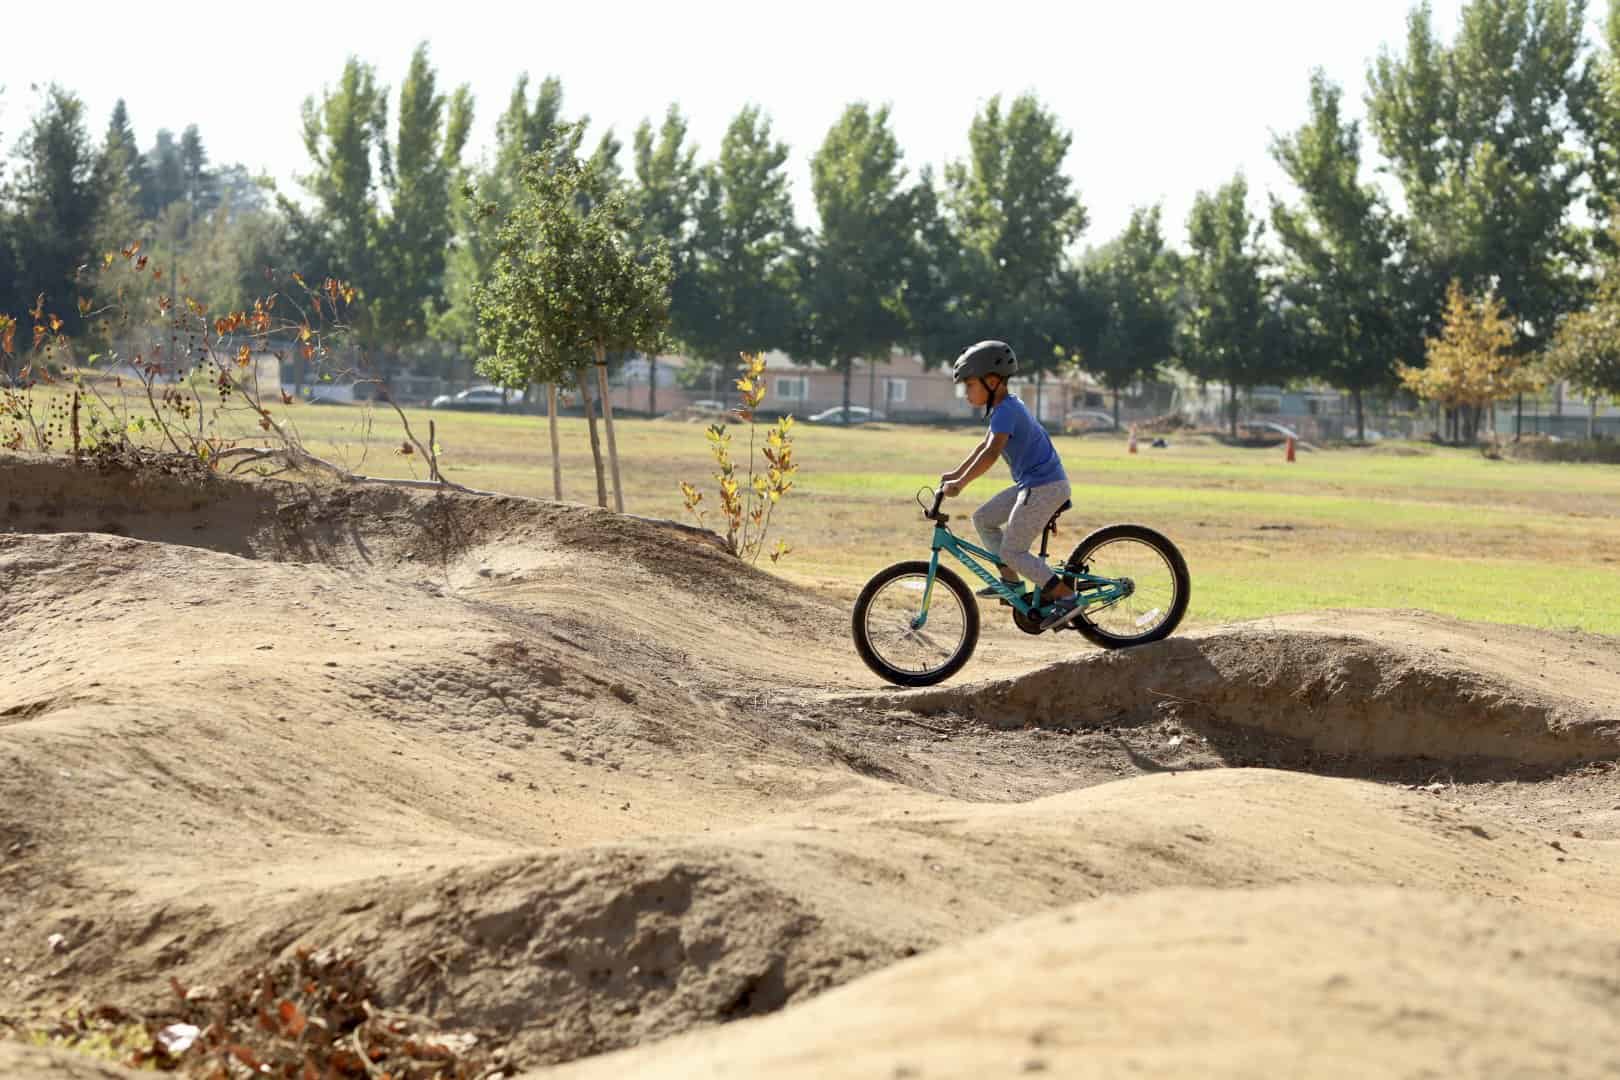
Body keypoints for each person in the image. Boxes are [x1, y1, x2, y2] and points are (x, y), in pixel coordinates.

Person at [938, 340, 1082, 631]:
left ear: (991, 381)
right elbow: (984, 447)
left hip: (1044, 487)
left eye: (969, 385)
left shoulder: (1006, 411)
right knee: (984, 518)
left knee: (1013, 551)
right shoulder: (1003, 408)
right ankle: (1012, 584)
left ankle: (1067, 597)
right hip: (1032, 484)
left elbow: (992, 454)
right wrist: (956, 473)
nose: (965, 392)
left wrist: (961, 484)